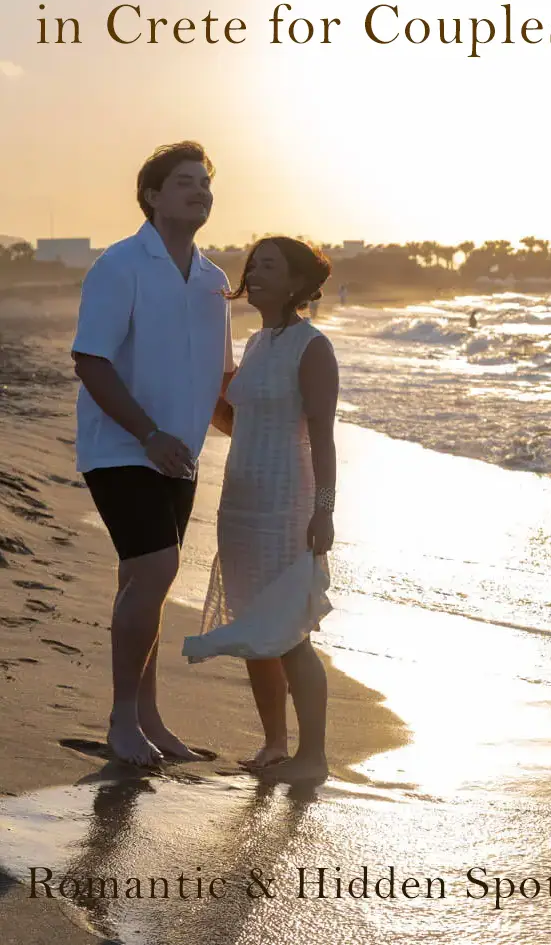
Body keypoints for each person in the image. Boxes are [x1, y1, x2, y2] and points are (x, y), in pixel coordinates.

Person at [71, 141, 235, 767]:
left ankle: (149, 720)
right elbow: (91, 359)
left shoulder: (215, 280)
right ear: (152, 195)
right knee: (158, 570)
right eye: (186, 182)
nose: (200, 192)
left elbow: (221, 382)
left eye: (206, 184)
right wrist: (147, 434)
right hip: (122, 445)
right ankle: (120, 722)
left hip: (181, 454)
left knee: (147, 581)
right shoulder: (120, 265)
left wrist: (258, 438)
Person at [183, 236, 338, 785]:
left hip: (286, 508)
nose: (256, 272)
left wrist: (325, 511)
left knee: (291, 632)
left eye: (269, 265)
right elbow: (239, 422)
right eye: (255, 264)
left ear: (297, 283)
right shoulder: (255, 343)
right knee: (255, 628)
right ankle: (275, 743)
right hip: (240, 503)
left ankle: (313, 756)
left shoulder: (312, 346)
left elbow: (323, 437)